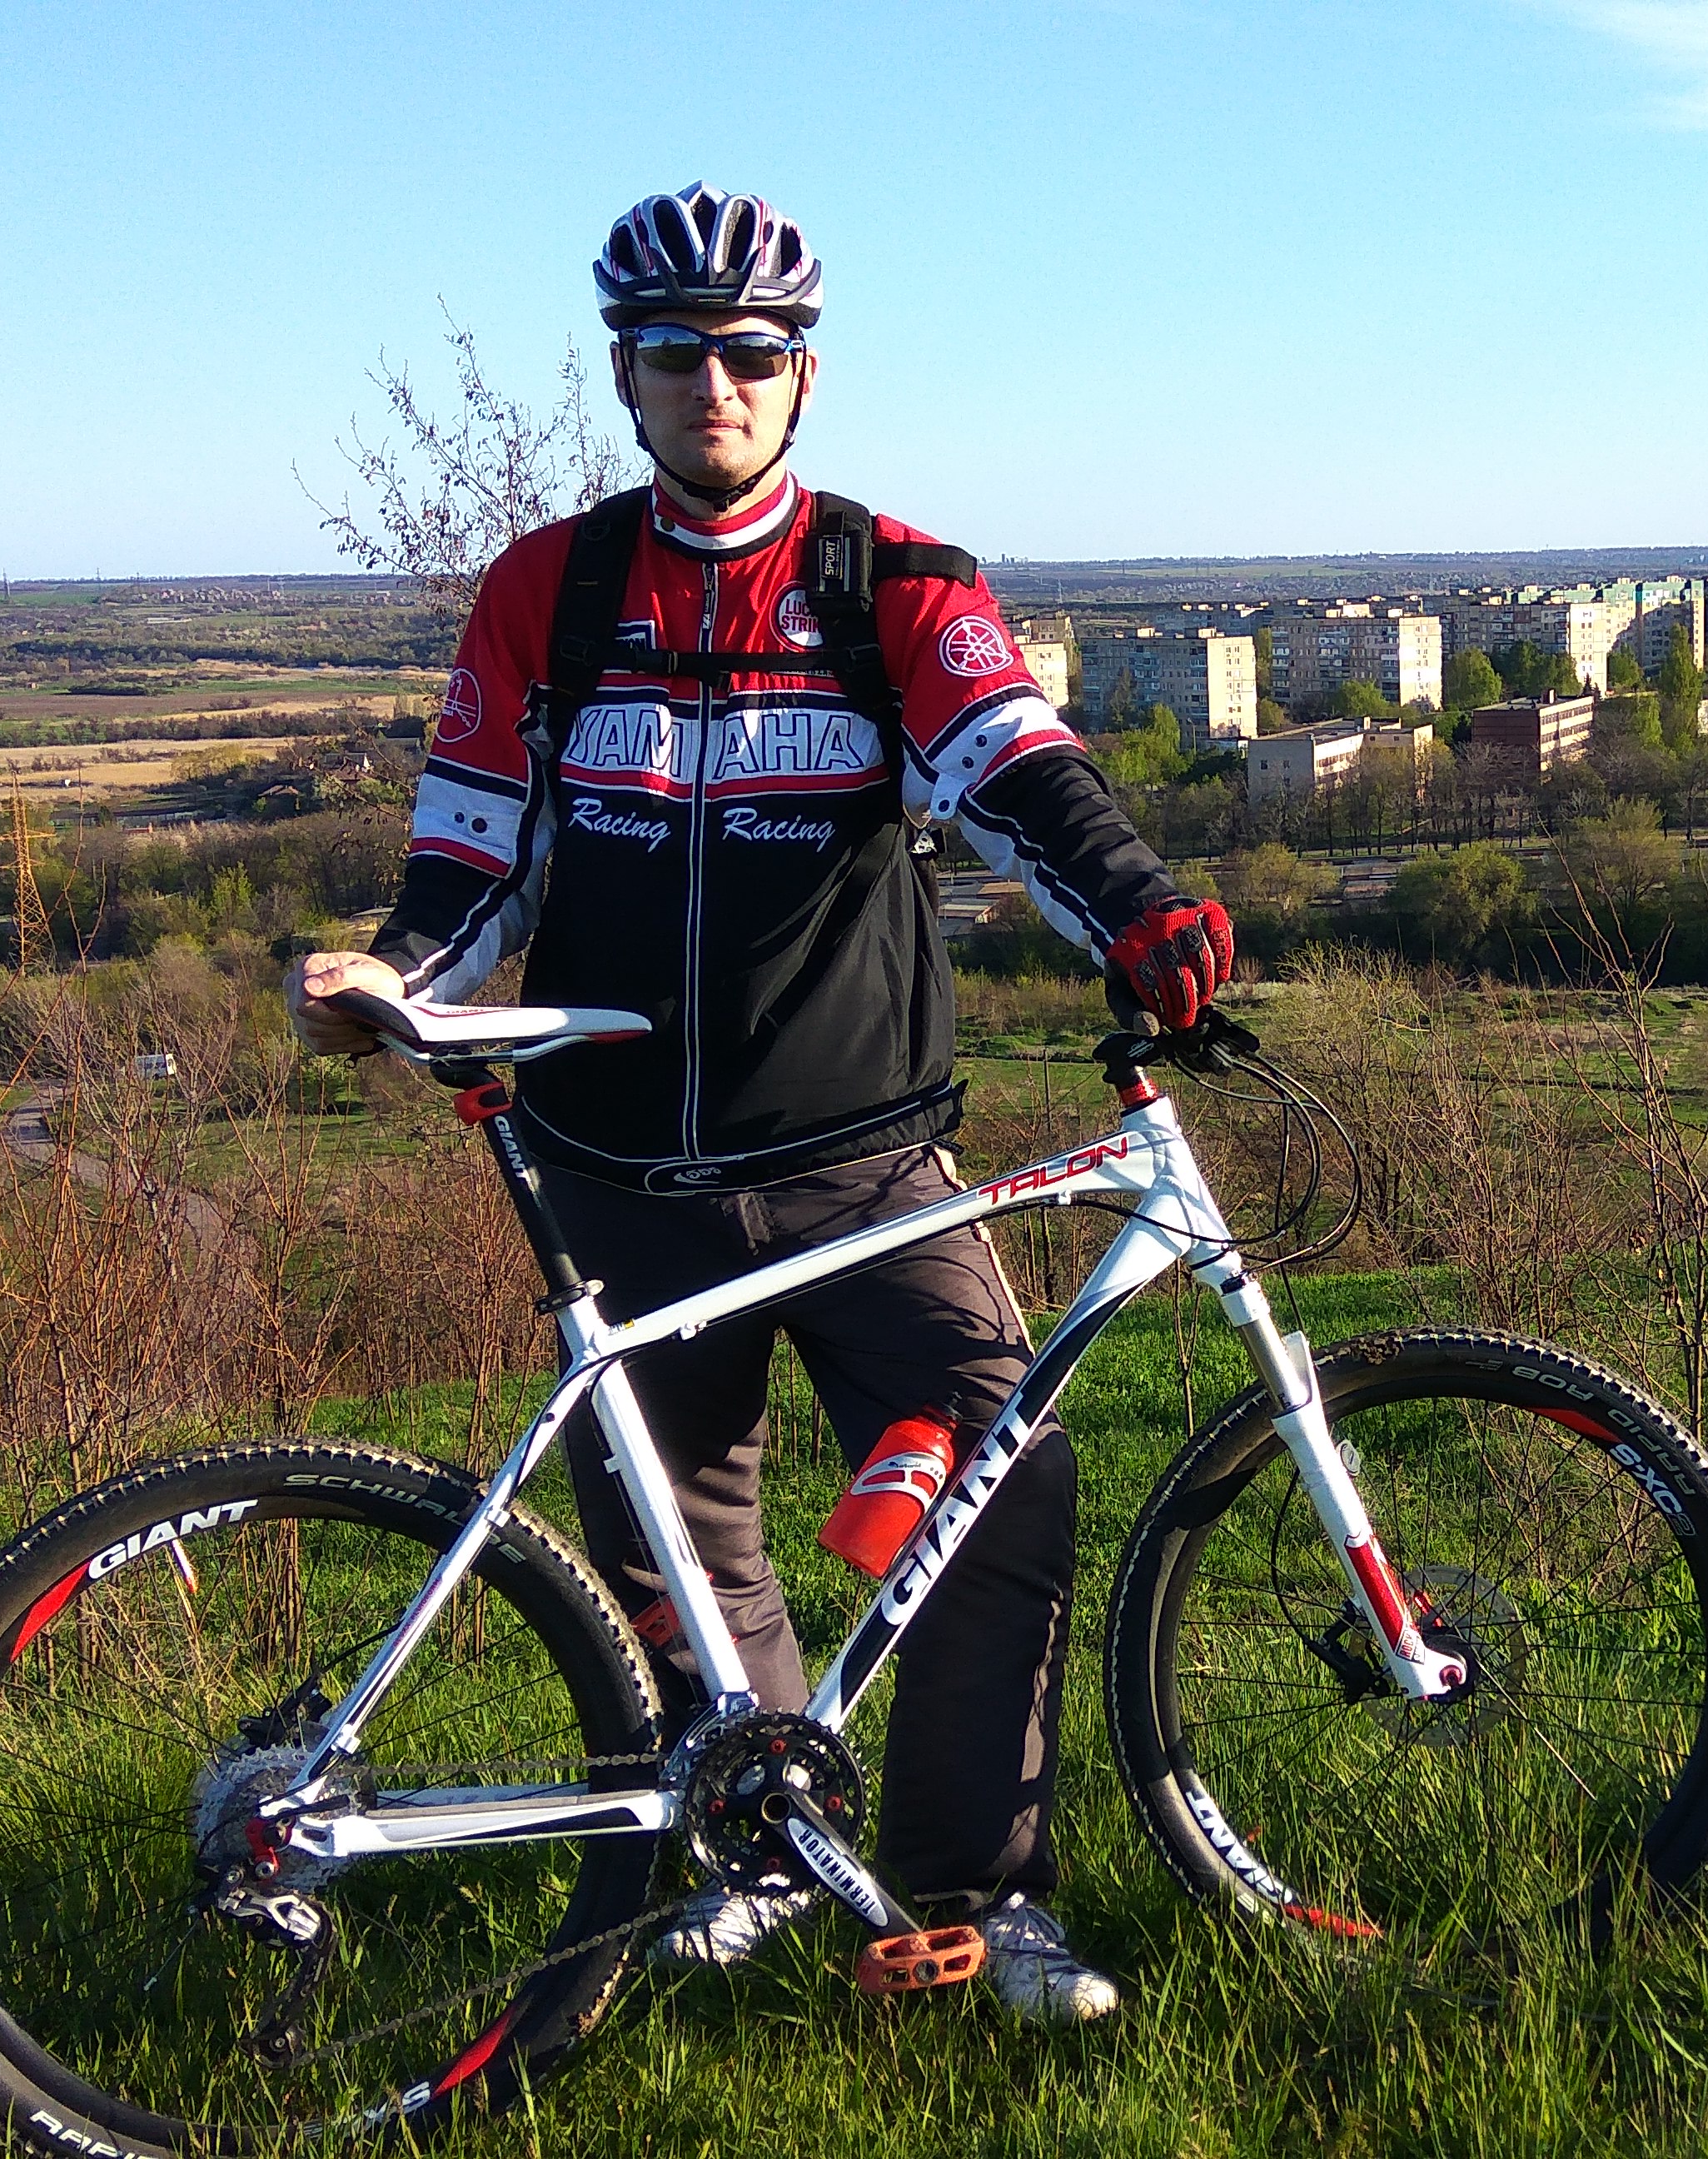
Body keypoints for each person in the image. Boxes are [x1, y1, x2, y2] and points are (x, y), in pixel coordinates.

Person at [286, 183, 1230, 2025]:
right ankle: (771, 1860)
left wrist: (1134, 902)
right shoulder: (549, 593)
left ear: (804, 375)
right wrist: (395, 974)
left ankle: (982, 1902)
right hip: (615, 1168)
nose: (712, 382)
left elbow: (1014, 764)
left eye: (750, 352)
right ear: (626, 377)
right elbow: (473, 844)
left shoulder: (897, 583)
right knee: (678, 1555)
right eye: (674, 353)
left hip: (865, 1170)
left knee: (999, 1493)